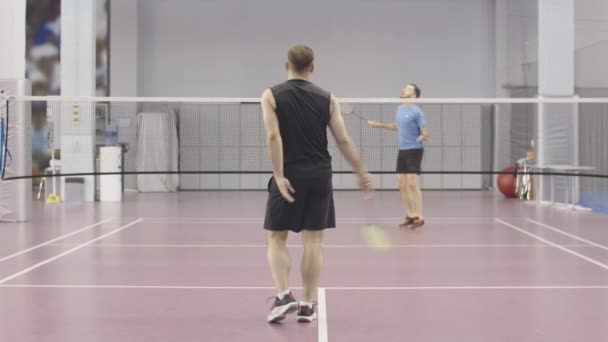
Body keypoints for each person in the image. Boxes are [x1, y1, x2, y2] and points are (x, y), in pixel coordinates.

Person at [262, 44, 371, 323]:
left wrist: (278, 174)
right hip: (319, 175)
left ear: (286, 65)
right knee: (313, 241)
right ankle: (307, 305)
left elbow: (273, 137)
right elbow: (343, 140)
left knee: (276, 237)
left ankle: (284, 295)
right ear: (313, 67)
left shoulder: (271, 95)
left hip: (289, 174)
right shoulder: (328, 98)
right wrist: (360, 171)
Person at [368, 84, 428, 229]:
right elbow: (398, 126)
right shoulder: (400, 108)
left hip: (414, 150)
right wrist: (379, 125)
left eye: (407, 88)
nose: (403, 89)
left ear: (414, 95)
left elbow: (425, 132)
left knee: (412, 183)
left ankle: (419, 216)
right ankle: (410, 214)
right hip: (402, 150)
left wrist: (422, 137)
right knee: (402, 183)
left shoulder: (417, 111)